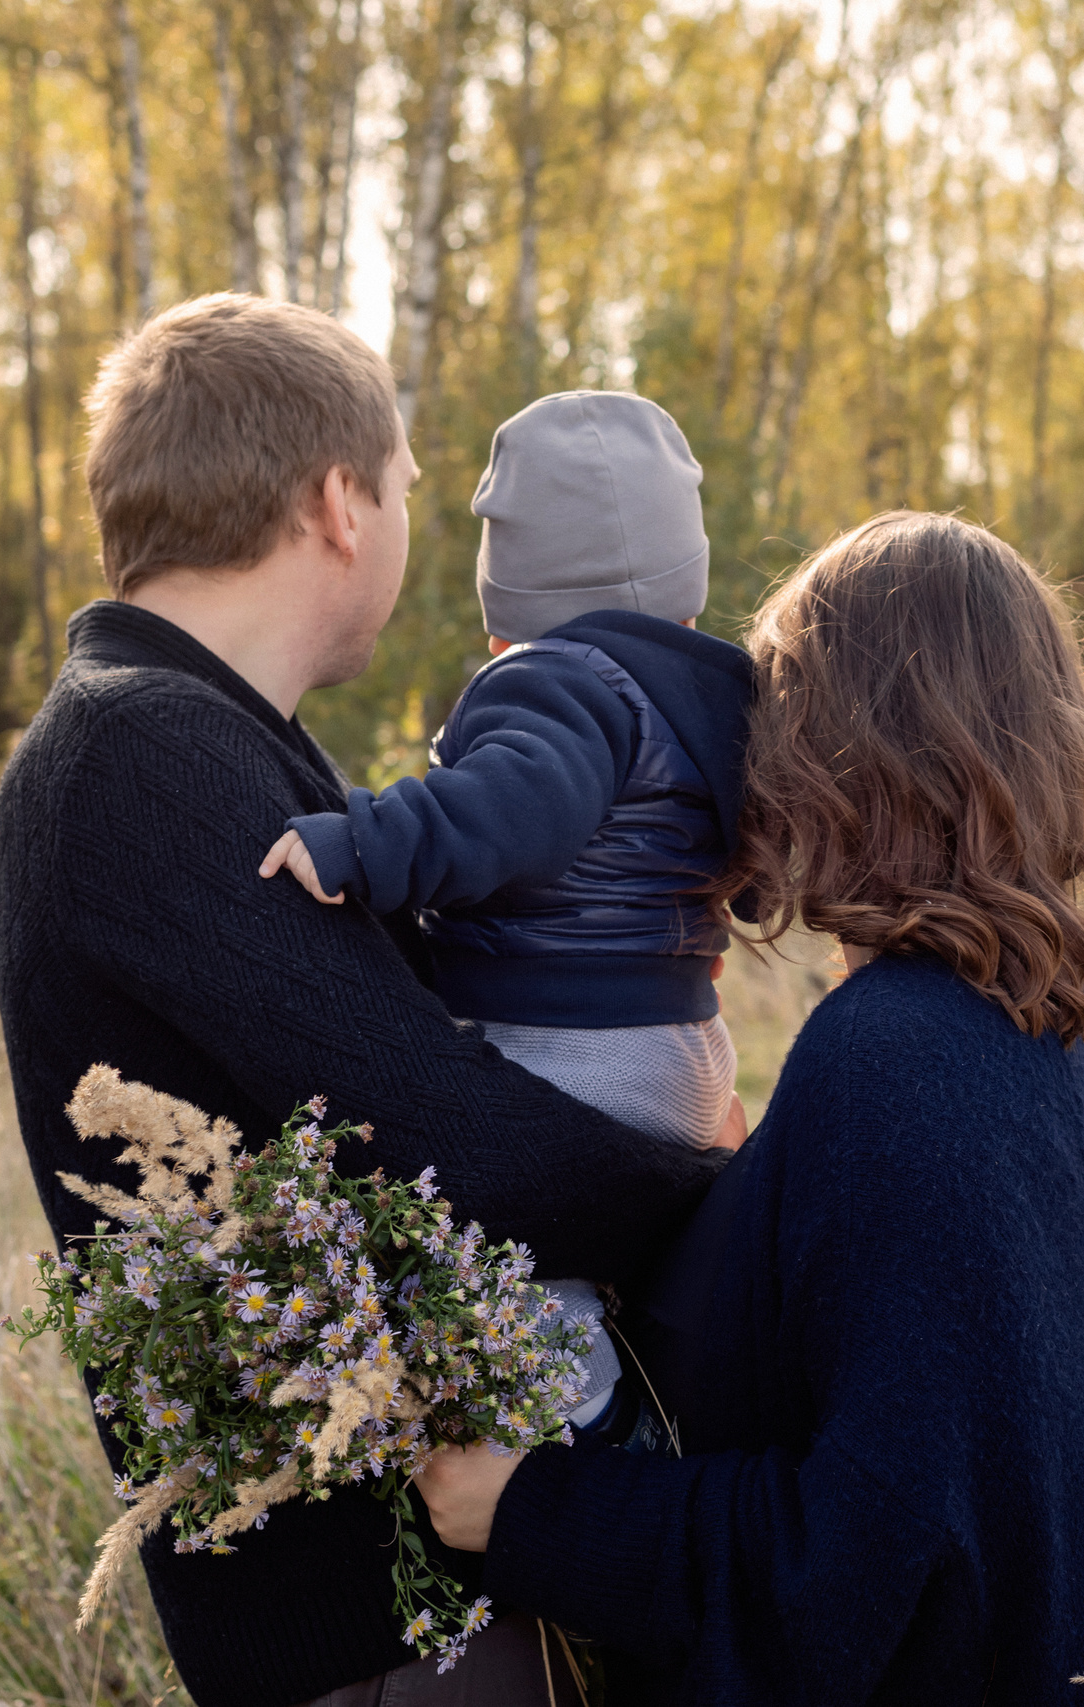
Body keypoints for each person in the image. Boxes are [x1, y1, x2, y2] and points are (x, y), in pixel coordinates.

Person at [0, 295, 728, 1707]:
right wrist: (729, 1181)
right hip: (366, 1627)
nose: (407, 522)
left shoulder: (204, 736)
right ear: (338, 500)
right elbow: (456, 1142)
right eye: (402, 486)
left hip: (408, 1585)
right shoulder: (141, 754)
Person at [415, 512, 1084, 1706]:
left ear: (840, 746)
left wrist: (532, 1508)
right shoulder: (1034, 1009)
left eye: (772, 703)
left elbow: (866, 1556)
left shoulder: (900, 1050)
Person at [257, 390, 754, 1423]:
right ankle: (675, 1399)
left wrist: (364, 841)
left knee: (501, 1259)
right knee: (613, 1257)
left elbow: (514, 807)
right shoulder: (707, 700)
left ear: (508, 594)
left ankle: (582, 1429)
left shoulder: (559, 683)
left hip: (567, 1041)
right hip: (680, 1041)